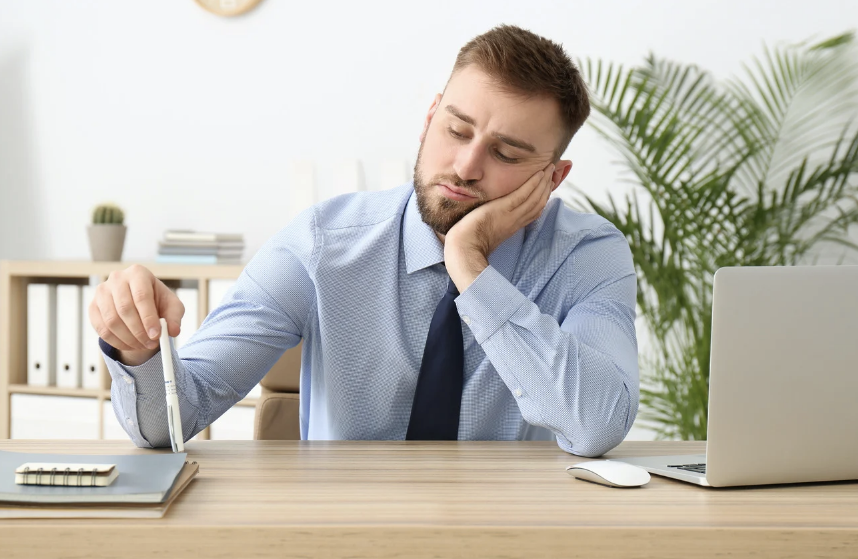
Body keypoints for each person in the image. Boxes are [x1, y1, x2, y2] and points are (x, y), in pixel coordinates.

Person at [90, 24, 638, 457]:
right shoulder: (321, 244)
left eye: (507, 154)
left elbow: (597, 424)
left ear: (553, 178)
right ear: (430, 117)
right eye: (456, 130)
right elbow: (172, 422)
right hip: (342, 536)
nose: (466, 166)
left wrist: (471, 267)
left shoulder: (586, 255)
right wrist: (137, 349)